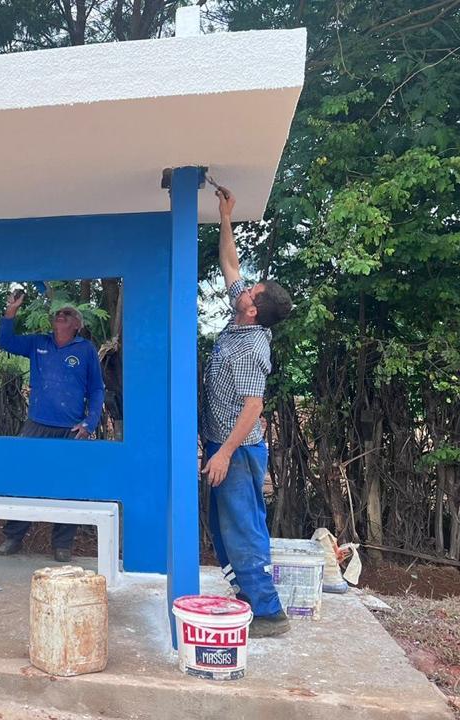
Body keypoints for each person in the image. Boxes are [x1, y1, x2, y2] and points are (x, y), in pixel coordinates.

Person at [201, 187, 294, 637]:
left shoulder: (253, 344)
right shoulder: (242, 318)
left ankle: (268, 612)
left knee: (242, 528)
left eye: (251, 290)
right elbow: (230, 265)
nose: (243, 286)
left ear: (253, 308)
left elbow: (253, 406)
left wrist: (223, 454)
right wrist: (225, 217)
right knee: (225, 529)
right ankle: (248, 598)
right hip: (225, 446)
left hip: (237, 451)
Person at [0, 293, 105, 563]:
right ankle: (13, 537)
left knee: (69, 485)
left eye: (68, 314)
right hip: (37, 425)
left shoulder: (86, 349)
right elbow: (4, 341)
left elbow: (97, 389)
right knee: (24, 479)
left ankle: (62, 545)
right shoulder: (37, 343)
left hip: (70, 429)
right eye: (59, 313)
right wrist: (11, 311)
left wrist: (89, 423)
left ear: (77, 325)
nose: (61, 315)